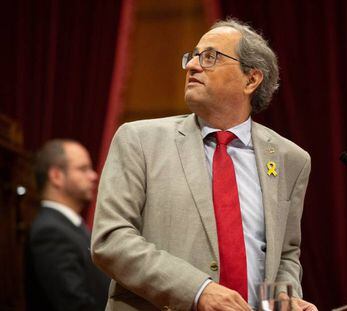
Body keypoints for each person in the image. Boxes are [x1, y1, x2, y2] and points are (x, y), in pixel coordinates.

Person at [91, 18, 317, 311]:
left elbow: (285, 253)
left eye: (210, 57)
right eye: (193, 56)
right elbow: (111, 239)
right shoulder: (139, 140)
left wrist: (283, 300)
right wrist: (197, 291)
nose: (192, 66)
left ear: (251, 79)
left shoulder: (291, 159)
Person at [26, 139, 109, 311]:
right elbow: (74, 304)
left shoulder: (70, 226)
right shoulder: (49, 231)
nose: (93, 176)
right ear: (56, 176)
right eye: (83, 169)